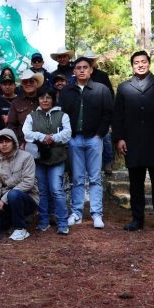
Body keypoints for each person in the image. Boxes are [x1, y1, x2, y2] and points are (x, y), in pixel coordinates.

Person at [113, 51, 154, 234]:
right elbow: (117, 115)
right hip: (133, 143)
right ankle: (137, 219)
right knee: (136, 183)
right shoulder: (124, 87)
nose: (140, 65)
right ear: (132, 65)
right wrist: (119, 138)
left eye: (143, 61)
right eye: (136, 62)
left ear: (149, 63)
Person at [59, 56, 113, 229]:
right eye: (78, 68)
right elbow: (63, 116)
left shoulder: (101, 89)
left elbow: (108, 114)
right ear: (73, 71)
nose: (81, 70)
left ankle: (97, 214)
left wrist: (100, 134)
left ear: (91, 70)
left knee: (95, 177)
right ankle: (76, 213)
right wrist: (68, 136)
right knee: (77, 178)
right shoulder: (67, 91)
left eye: (85, 67)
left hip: (94, 139)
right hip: (74, 139)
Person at [22, 87, 72, 235]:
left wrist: (54, 138)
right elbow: (27, 133)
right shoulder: (32, 116)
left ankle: (62, 222)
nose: (45, 100)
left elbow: (67, 133)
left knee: (56, 190)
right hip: (39, 159)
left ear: (53, 99)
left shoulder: (62, 115)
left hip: (57, 158)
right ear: (38, 100)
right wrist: (42, 136)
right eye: (42, 98)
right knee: (42, 191)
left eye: (48, 97)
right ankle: (43, 221)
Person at [0, 129, 38, 241]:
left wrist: (4, 199)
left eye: (7, 141)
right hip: (6, 202)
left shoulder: (26, 157)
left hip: (27, 199)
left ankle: (21, 228)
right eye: (1, 142)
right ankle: (11, 224)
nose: (4, 144)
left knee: (13, 195)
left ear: (14, 142)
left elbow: (28, 183)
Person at [75, 51, 115, 174]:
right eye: (88, 59)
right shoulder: (77, 77)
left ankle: (108, 162)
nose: (83, 69)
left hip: (101, 112)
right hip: (83, 115)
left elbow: (110, 94)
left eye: (91, 60)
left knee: (106, 137)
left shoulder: (102, 75)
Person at [7, 70, 44, 148]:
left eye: (31, 81)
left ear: (36, 83)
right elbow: (11, 125)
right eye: (25, 82)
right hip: (24, 143)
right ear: (22, 85)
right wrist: (19, 142)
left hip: (44, 141)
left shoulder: (45, 99)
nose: (28, 84)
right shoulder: (16, 102)